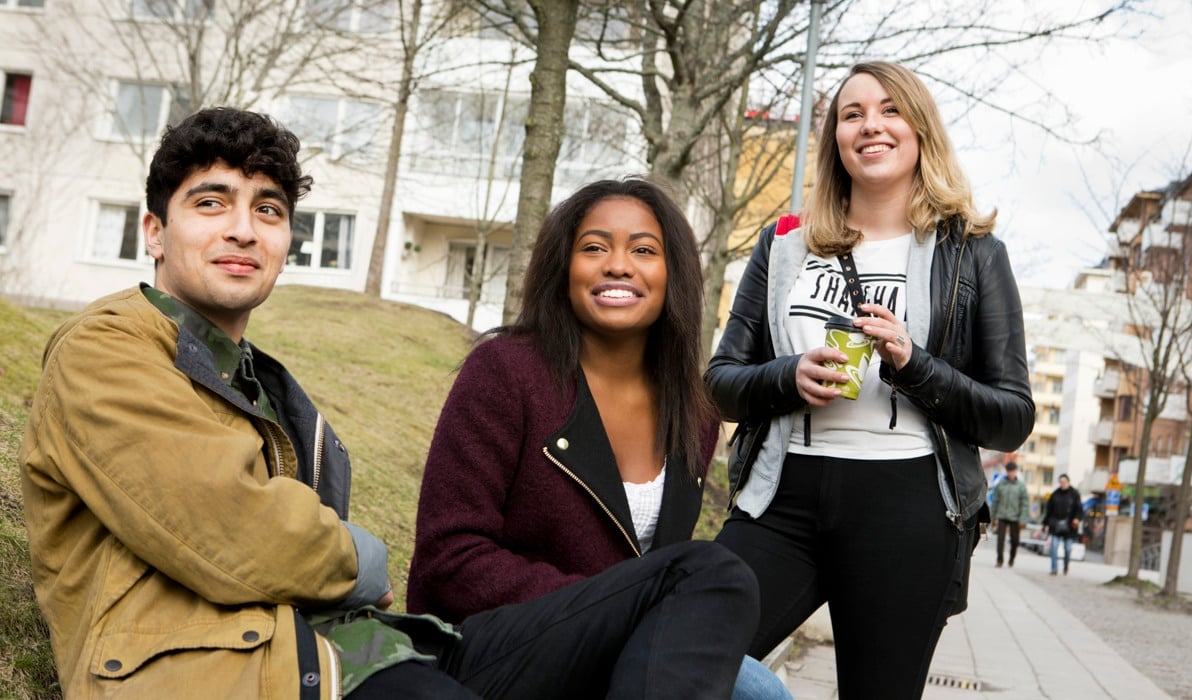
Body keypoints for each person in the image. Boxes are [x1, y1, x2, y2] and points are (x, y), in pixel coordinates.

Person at [19, 108, 761, 699]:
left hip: (363, 651)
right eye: (211, 204)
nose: (243, 228)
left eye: (268, 210)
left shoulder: (257, 383)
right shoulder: (108, 348)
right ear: (154, 230)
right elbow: (229, 529)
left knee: (712, 577)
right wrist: (360, 560)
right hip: (231, 670)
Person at [706, 61, 1035, 699]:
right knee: (685, 650)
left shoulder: (974, 253)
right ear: (835, 138)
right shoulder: (784, 245)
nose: (869, 126)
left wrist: (916, 365)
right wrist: (787, 377)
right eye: (851, 114)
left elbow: (1011, 414)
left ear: (920, 130)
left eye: (889, 110)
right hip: (781, 495)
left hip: (907, 505)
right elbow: (720, 382)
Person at [407, 177, 790, 700]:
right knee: (717, 574)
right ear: (564, 269)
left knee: (766, 694)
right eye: (594, 247)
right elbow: (447, 562)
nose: (617, 265)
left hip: (623, 648)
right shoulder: (505, 373)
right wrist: (608, 604)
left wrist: (626, 611)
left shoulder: (693, 413)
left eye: (643, 250)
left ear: (671, 274)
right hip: (493, 649)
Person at [1042, 474, 1084, 575]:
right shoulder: (1055, 494)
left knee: (1068, 549)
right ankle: (1054, 569)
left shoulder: (1075, 494)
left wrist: (1077, 519)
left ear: (1068, 482)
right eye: (1061, 482)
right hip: (1055, 526)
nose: (1063, 484)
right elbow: (1049, 510)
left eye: (1064, 482)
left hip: (1069, 527)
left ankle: (1066, 565)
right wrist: (1045, 523)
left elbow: (1079, 509)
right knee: (1053, 548)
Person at [992, 461, 1030, 567]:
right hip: (1002, 516)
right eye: (1009, 471)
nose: (1011, 473)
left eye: (1013, 471)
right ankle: (999, 560)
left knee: (1015, 541)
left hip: (1015, 517)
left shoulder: (1021, 486)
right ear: (1006, 472)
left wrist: (1022, 519)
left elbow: (1025, 503)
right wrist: (993, 518)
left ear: (1016, 472)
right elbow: (995, 501)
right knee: (1000, 540)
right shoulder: (1000, 484)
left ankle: (1012, 558)